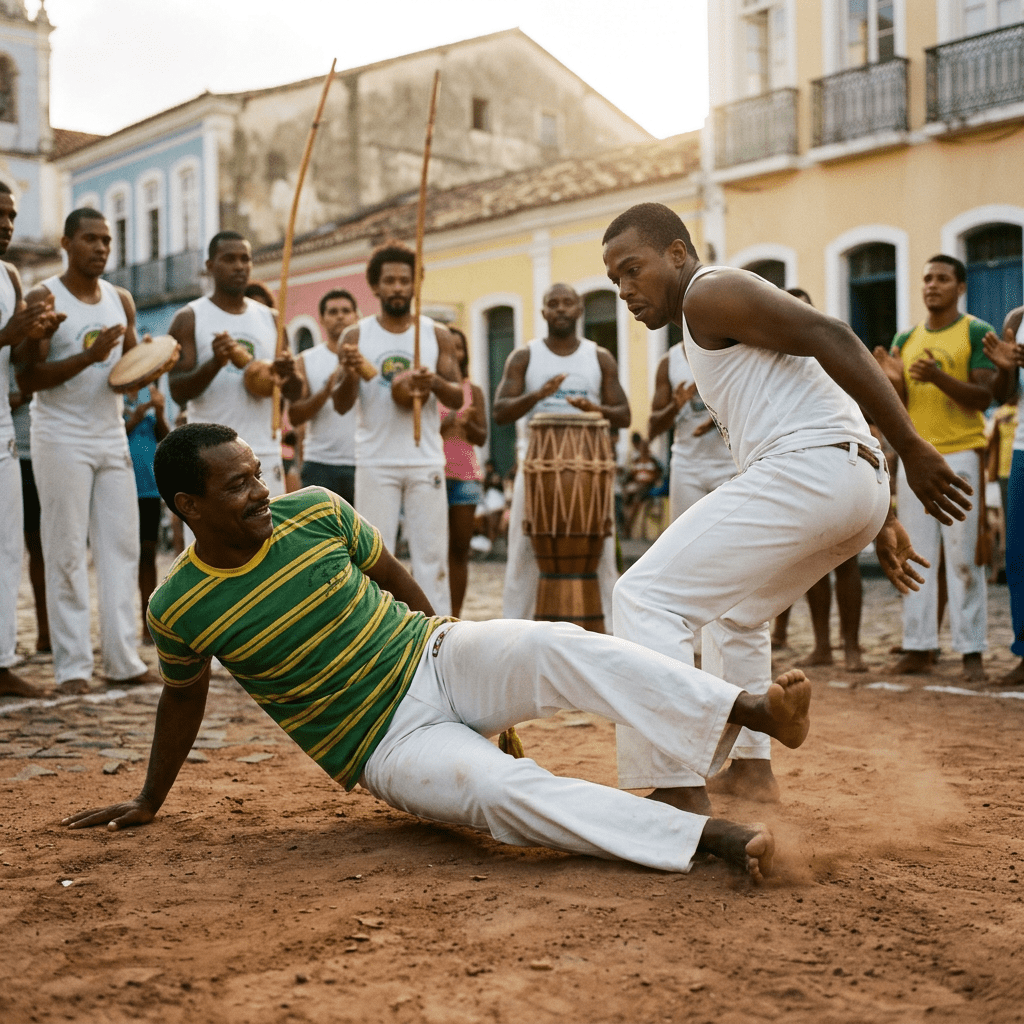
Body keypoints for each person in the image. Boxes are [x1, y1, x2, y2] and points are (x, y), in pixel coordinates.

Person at [61, 422, 817, 882]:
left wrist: (462, 667)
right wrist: (148, 798)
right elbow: (181, 699)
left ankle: (747, 707)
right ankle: (709, 839)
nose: (261, 491)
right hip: (384, 743)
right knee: (502, 796)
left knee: (559, 643)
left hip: (436, 655)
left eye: (259, 473)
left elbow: (399, 583)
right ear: (189, 507)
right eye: (238, 485)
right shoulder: (179, 606)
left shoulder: (317, 511)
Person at [602, 202, 968, 813]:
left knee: (644, 597)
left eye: (632, 270)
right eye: (614, 280)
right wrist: (882, 512)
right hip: (843, 473)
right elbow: (816, 395)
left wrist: (910, 445)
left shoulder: (707, 293)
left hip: (815, 467)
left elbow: (833, 336)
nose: (624, 290)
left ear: (675, 253)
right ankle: (748, 771)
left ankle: (674, 785)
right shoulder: (702, 317)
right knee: (736, 614)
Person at [15, 208, 159, 694]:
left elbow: (131, 372)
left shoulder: (121, 300)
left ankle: (123, 660)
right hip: (59, 435)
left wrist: (157, 363)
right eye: (90, 239)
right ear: (66, 243)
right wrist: (89, 357)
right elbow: (28, 379)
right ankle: (73, 666)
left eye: (107, 241)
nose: (100, 248)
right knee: (66, 549)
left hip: (109, 432)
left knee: (121, 546)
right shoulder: (43, 297)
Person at [873, 256, 997, 681]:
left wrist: (938, 377)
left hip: (961, 455)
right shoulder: (906, 338)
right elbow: (900, 403)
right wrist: (891, 380)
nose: (932, 285)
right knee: (916, 552)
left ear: (960, 286)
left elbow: (984, 398)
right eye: (927, 278)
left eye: (942, 279)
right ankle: (919, 645)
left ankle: (972, 650)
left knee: (964, 558)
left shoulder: (976, 332)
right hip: (916, 460)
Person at [332, 242, 463, 616]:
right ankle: (377, 629)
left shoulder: (436, 334)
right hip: (375, 459)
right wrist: (350, 372)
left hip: (425, 459)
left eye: (405, 280)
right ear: (375, 286)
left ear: (415, 285)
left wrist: (433, 382)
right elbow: (342, 404)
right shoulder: (355, 336)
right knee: (375, 556)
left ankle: (439, 634)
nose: (397, 288)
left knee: (432, 557)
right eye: (388, 280)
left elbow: (456, 398)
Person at [492, 283, 630, 623]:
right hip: (536, 466)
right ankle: (515, 630)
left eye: (568, 303)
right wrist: (537, 395)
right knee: (522, 552)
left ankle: (611, 631)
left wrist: (592, 407)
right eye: (553, 304)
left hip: (589, 470)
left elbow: (624, 414)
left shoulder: (598, 357)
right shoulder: (525, 356)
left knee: (603, 557)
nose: (561, 309)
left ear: (579, 310)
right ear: (543, 313)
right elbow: (500, 411)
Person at [168, 231, 301, 502]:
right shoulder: (189, 317)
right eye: (229, 259)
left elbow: (295, 393)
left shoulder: (272, 320)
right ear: (210, 266)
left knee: (269, 539)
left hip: (263, 449)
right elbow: (178, 391)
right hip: (209, 455)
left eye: (245, 259)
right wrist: (215, 363)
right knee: (214, 542)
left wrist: (288, 375)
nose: (240, 266)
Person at [774, 288, 867, 672]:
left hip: (840, 460)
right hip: (794, 466)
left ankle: (852, 646)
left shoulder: (830, 353)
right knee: (810, 559)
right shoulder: (774, 361)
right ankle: (823, 645)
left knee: (846, 560)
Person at [0, 183, 62, 698]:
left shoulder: (11, 275)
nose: (6, 223)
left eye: (12, 215)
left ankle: (1, 661)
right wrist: (7, 332)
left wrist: (38, 332)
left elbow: (22, 366)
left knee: (6, 548)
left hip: (3, 426)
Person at [978, 304, 1024, 683]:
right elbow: (1004, 395)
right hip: (1022, 449)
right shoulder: (1016, 320)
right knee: (1019, 553)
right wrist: (1007, 368)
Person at [647, 331, 733, 526]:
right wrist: (674, 406)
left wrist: (717, 419)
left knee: (730, 538)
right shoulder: (669, 362)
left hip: (730, 464)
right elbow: (653, 427)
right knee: (685, 536)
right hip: (687, 467)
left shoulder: (732, 351)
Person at [288, 289, 361, 504]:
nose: (340, 316)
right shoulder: (306, 360)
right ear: (321, 318)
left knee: (362, 536)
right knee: (322, 536)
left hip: (364, 461)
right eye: (333, 311)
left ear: (357, 317)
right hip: (320, 463)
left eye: (346, 311)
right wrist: (326, 391)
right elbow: (295, 416)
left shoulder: (368, 356)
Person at [439, 326, 487, 615]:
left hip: (466, 477)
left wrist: (468, 423)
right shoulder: (430, 388)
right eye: (448, 348)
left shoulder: (474, 390)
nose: (455, 354)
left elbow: (481, 437)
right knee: (433, 553)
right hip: (433, 476)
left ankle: (454, 614)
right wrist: (453, 417)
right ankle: (432, 613)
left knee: (459, 552)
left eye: (459, 347)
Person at [123, 381, 171, 643]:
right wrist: (136, 416)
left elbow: (165, 436)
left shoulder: (150, 395)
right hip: (122, 487)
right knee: (124, 556)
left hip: (148, 489)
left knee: (148, 554)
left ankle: (147, 626)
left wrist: (160, 412)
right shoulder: (115, 397)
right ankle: (124, 625)